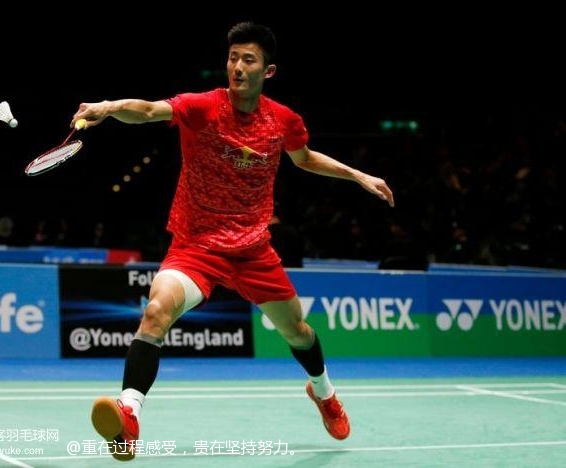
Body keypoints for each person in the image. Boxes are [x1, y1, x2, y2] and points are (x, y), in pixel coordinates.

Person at [71, 22, 394, 461]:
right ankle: (128, 414)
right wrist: (109, 107)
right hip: (196, 247)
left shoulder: (282, 120)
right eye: (232, 58)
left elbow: (303, 158)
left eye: (248, 60)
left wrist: (358, 175)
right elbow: (147, 111)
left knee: (297, 331)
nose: (237, 67)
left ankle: (324, 392)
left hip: (253, 250)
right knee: (155, 312)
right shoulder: (203, 107)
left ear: (268, 71)